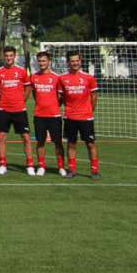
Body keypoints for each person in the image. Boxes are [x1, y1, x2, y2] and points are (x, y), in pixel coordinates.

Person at [0, 45, 34, 175]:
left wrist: (22, 100)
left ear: (14, 56)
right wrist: (1, 100)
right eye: (6, 56)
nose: (9, 58)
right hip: (4, 109)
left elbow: (28, 88)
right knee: (1, 137)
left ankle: (30, 165)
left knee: (26, 137)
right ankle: (3, 164)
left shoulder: (22, 71)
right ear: (3, 57)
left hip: (19, 109)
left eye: (11, 56)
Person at [59, 51, 100, 179]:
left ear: (80, 61)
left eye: (77, 60)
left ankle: (94, 171)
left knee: (90, 144)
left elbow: (94, 97)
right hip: (70, 117)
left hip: (86, 117)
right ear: (68, 62)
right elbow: (61, 98)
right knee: (71, 144)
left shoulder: (89, 77)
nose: (75, 63)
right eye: (72, 61)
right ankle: (72, 170)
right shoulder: (62, 78)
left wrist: (89, 111)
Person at [31, 50, 67, 177]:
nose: (42, 63)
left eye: (44, 61)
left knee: (57, 142)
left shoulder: (57, 78)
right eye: (40, 61)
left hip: (54, 115)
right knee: (40, 142)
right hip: (39, 115)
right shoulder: (34, 77)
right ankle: (41, 166)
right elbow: (35, 94)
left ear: (49, 61)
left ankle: (61, 167)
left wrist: (54, 106)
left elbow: (61, 97)